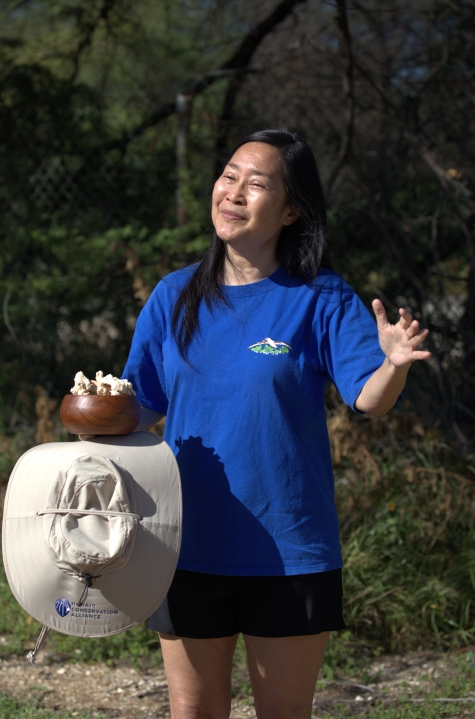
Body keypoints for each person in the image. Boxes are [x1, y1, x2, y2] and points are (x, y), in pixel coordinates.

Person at [119, 129, 431, 719]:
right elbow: (141, 408)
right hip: (184, 543)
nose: (234, 191)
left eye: (256, 183)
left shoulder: (321, 297)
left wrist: (393, 365)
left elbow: (369, 398)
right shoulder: (173, 295)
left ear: (291, 210)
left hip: (290, 550)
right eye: (229, 175)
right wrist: (92, 413)